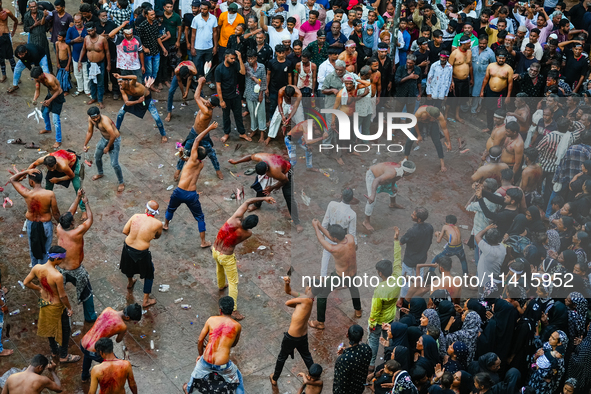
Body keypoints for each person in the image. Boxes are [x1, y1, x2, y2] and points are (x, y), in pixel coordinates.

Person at [212, 196, 275, 320]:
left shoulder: (234, 218)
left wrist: (264, 198)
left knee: (219, 267)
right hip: (226, 256)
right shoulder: (247, 233)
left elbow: (247, 202)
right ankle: (233, 310)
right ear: (252, 227)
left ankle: (220, 285)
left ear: (244, 217)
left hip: (215, 249)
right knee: (233, 283)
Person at [164, 121, 218, 245]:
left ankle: (166, 225)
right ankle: (203, 241)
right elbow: (185, 159)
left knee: (171, 208)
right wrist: (182, 153)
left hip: (179, 191)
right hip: (191, 195)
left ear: (195, 153)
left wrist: (209, 127)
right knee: (200, 217)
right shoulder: (200, 164)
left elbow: (197, 139)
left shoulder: (193, 159)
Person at [23, 245, 79, 363]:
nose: (63, 261)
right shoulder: (57, 276)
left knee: (50, 327)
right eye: (62, 259)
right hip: (56, 306)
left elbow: (26, 282)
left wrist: (39, 289)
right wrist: (69, 308)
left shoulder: (37, 267)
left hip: (44, 302)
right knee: (65, 330)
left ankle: (54, 351)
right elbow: (63, 296)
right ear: (57, 259)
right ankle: (64, 356)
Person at [228, 152, 302, 232]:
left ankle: (297, 223)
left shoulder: (275, 171)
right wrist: (236, 162)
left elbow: (285, 180)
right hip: (273, 169)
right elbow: (249, 157)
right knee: (261, 188)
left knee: (289, 197)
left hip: (286, 173)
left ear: (267, 171)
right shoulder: (260, 157)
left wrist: (273, 187)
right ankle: (257, 205)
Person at [183, 297, 244, 394]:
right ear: (232, 311)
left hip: (207, 360)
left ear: (220, 310)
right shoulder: (237, 326)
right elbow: (234, 344)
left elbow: (200, 340)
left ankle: (188, 388)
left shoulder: (211, 320)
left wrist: (200, 355)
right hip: (223, 364)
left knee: (196, 372)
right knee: (238, 378)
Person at [308, 219, 360, 330]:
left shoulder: (334, 248)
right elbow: (334, 238)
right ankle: (358, 310)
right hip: (353, 272)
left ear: (336, 238)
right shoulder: (350, 238)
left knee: (322, 295)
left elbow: (321, 239)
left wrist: (316, 227)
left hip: (339, 276)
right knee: (353, 287)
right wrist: (321, 226)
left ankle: (320, 322)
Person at [56, 190, 97, 323]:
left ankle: (61, 314)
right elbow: (90, 219)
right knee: (87, 292)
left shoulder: (59, 228)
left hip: (60, 268)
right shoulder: (77, 232)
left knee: (58, 293)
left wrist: (77, 197)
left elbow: (69, 212)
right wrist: (86, 203)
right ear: (72, 224)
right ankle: (90, 317)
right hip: (76, 270)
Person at [270, 276, 315, 386]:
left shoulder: (305, 299)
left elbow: (287, 303)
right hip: (303, 335)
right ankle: (314, 376)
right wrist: (287, 283)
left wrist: (296, 304)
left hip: (292, 336)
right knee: (306, 356)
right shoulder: (308, 299)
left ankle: (275, 378)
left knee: (282, 357)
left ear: (309, 289)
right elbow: (289, 291)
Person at [79, 304, 142, 382]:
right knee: (113, 364)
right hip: (94, 351)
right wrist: (122, 333)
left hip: (83, 342)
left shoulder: (108, 309)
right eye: (131, 321)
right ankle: (112, 383)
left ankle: (84, 376)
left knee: (87, 356)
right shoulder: (122, 326)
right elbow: (118, 340)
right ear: (127, 317)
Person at [368, 226, 402, 369]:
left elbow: (375, 310)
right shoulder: (398, 278)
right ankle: (389, 360)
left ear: (380, 273)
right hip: (390, 318)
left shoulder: (380, 289)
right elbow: (398, 260)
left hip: (379, 320)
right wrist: (396, 241)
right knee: (388, 339)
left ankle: (371, 363)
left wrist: (371, 323)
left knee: (374, 340)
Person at [9, 169, 59, 267]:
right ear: (41, 180)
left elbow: (12, 179)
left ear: (31, 181)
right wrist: (60, 223)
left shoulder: (27, 193)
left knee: (33, 247)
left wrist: (26, 171)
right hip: (45, 225)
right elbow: (56, 213)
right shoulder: (49, 194)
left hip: (32, 224)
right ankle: (43, 270)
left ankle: (35, 268)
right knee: (45, 249)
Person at [175, 78, 222, 181]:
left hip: (203, 135)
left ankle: (218, 170)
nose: (207, 103)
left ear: (213, 107)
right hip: (193, 133)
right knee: (185, 152)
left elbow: (196, 97)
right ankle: (178, 171)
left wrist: (200, 83)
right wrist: (201, 85)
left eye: (209, 103)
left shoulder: (207, 111)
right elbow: (200, 97)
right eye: (208, 101)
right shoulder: (207, 105)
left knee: (211, 153)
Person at [119, 200, 163, 308]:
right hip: (142, 252)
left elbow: (125, 231)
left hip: (128, 248)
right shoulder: (158, 224)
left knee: (128, 267)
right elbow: (157, 236)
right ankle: (145, 301)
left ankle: (130, 282)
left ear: (146, 209)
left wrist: (135, 236)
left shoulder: (135, 216)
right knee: (149, 273)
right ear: (156, 213)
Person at [29, 149, 86, 219]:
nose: (52, 170)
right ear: (46, 165)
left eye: (53, 168)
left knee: (78, 187)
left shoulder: (63, 166)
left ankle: (84, 210)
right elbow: (33, 165)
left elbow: (72, 175)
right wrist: (24, 175)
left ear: (55, 164)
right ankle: (45, 204)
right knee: (49, 182)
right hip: (60, 161)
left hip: (72, 164)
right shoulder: (44, 159)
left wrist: (58, 179)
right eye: (50, 169)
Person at [363, 161, 416, 232]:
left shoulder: (401, 169)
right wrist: (372, 195)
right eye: (410, 173)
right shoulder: (391, 173)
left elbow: (396, 177)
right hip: (373, 176)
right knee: (372, 200)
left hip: (384, 177)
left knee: (393, 190)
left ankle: (392, 203)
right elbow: (376, 180)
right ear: (406, 172)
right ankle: (366, 221)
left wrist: (393, 185)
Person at [114, 73, 168, 142]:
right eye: (118, 82)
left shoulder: (132, 83)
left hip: (146, 99)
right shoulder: (122, 88)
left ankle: (163, 134)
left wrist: (120, 76)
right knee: (120, 113)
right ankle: (117, 129)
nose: (119, 84)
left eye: (121, 82)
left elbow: (135, 77)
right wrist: (137, 101)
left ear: (126, 81)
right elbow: (127, 103)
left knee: (156, 118)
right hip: (135, 99)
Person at [84, 106, 124, 191]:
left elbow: (113, 135)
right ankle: (100, 173)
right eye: (93, 118)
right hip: (104, 139)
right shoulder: (91, 119)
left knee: (114, 164)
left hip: (114, 140)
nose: (95, 119)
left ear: (99, 114)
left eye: (97, 117)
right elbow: (89, 132)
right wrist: (85, 145)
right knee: (97, 157)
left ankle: (121, 182)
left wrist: (107, 147)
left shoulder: (105, 121)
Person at [216, 49, 250, 143]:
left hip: (235, 95)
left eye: (234, 58)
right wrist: (221, 100)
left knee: (238, 115)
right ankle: (226, 133)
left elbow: (243, 72)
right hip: (225, 97)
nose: (233, 60)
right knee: (226, 116)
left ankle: (242, 132)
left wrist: (239, 58)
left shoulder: (235, 64)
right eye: (231, 58)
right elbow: (218, 85)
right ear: (226, 57)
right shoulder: (219, 69)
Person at [404, 106, 452, 172]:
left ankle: (442, 162)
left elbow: (445, 129)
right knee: (410, 139)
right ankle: (405, 158)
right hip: (419, 122)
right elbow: (415, 123)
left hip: (432, 124)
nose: (434, 119)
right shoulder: (419, 113)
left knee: (437, 141)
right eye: (433, 118)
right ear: (429, 115)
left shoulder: (439, 116)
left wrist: (449, 142)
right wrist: (419, 135)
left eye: (435, 119)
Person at [480, 48, 514, 133]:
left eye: (503, 58)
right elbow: (486, 79)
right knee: (489, 110)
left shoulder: (509, 69)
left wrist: (508, 96)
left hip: (501, 94)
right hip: (490, 92)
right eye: (499, 58)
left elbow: (510, 83)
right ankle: (489, 127)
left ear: (505, 58)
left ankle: (497, 129)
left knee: (499, 112)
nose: (501, 60)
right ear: (496, 57)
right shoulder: (491, 66)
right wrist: (482, 91)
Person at [30, 66, 65, 150]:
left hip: (57, 97)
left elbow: (58, 90)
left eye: (37, 77)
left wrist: (50, 100)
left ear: (41, 74)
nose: (36, 79)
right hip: (50, 95)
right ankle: (48, 128)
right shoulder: (37, 78)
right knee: (44, 112)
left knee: (56, 120)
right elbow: (37, 89)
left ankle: (58, 140)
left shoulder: (50, 80)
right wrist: (35, 99)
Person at [333, 324, 372, 394]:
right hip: (359, 386)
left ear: (347, 335)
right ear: (361, 338)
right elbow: (357, 353)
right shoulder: (366, 349)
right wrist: (346, 351)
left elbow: (340, 382)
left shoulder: (343, 360)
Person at [79, 22, 110, 108]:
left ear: (95, 29)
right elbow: (84, 49)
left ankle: (100, 100)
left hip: (100, 64)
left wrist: (109, 64)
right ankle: (93, 97)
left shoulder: (102, 39)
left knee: (100, 83)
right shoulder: (86, 38)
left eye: (92, 30)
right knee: (92, 82)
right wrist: (79, 61)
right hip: (90, 63)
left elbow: (107, 52)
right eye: (88, 31)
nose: (90, 33)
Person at [135, 9, 168, 87]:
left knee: (155, 70)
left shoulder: (156, 23)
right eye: (151, 15)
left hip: (156, 50)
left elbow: (157, 37)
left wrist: (163, 48)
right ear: (146, 15)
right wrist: (144, 48)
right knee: (148, 71)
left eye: (154, 14)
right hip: (147, 53)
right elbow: (137, 40)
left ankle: (151, 85)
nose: (154, 16)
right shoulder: (142, 26)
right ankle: (147, 87)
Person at [448, 35, 473, 123]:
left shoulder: (469, 52)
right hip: (455, 80)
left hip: (465, 79)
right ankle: (446, 115)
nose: (470, 45)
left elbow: (470, 66)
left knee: (460, 99)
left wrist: (471, 78)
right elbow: (449, 68)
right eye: (468, 43)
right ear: (463, 44)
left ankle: (457, 115)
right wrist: (451, 82)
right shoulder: (455, 53)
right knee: (452, 99)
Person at [244, 49, 267, 142]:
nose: (250, 61)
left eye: (252, 59)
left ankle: (262, 133)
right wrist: (255, 79)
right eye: (249, 59)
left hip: (259, 94)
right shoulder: (245, 66)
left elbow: (264, 81)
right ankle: (254, 129)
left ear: (256, 58)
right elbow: (249, 74)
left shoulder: (262, 67)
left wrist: (261, 94)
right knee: (252, 114)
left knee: (261, 114)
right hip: (249, 93)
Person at [23, 1, 52, 74]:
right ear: (29, 8)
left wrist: (45, 22)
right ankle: (38, 72)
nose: (33, 8)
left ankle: (50, 71)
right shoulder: (26, 16)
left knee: (46, 55)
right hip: (33, 40)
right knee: (35, 56)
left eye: (35, 6)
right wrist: (34, 25)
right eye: (31, 7)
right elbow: (25, 29)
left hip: (42, 38)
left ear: (37, 6)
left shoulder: (42, 13)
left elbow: (47, 26)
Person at [66, 14, 90, 97]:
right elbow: (67, 41)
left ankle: (87, 90)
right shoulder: (71, 30)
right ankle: (80, 89)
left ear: (83, 21)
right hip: (76, 56)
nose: (77, 24)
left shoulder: (87, 29)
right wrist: (74, 40)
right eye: (75, 22)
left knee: (86, 74)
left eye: (79, 22)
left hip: (87, 56)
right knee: (77, 73)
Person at [0, 0, 18, 83]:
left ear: (0, 3)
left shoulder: (7, 11)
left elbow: (15, 20)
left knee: (11, 57)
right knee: (0, 58)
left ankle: (16, 76)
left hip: (6, 35)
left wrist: (13, 31)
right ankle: (4, 75)